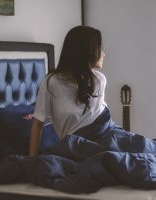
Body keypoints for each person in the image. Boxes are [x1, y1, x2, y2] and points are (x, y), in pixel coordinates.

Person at [30, 25, 106, 157]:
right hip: (75, 148)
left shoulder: (99, 80)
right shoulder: (52, 82)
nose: (104, 54)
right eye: (100, 48)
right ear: (86, 50)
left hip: (105, 138)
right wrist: (31, 162)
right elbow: (38, 124)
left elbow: (101, 120)